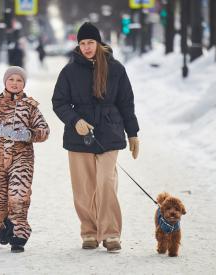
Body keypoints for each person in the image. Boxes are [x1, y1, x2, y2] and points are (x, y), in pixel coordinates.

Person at [52, 22, 140, 252]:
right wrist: (75, 121)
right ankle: (89, 231)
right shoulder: (69, 71)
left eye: (90, 42)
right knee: (84, 188)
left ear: (99, 43)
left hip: (109, 132)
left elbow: (126, 103)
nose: (87, 47)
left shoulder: (116, 69)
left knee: (105, 182)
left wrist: (133, 133)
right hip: (78, 136)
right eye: (82, 43)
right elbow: (59, 102)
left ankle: (111, 233)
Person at [0, 66, 50, 253]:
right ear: (5, 82)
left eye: (19, 80)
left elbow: (44, 131)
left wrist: (28, 134)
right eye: (11, 79)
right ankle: (2, 225)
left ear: (24, 84)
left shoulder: (30, 106)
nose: (15, 83)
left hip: (22, 159)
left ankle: (19, 235)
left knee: (19, 196)